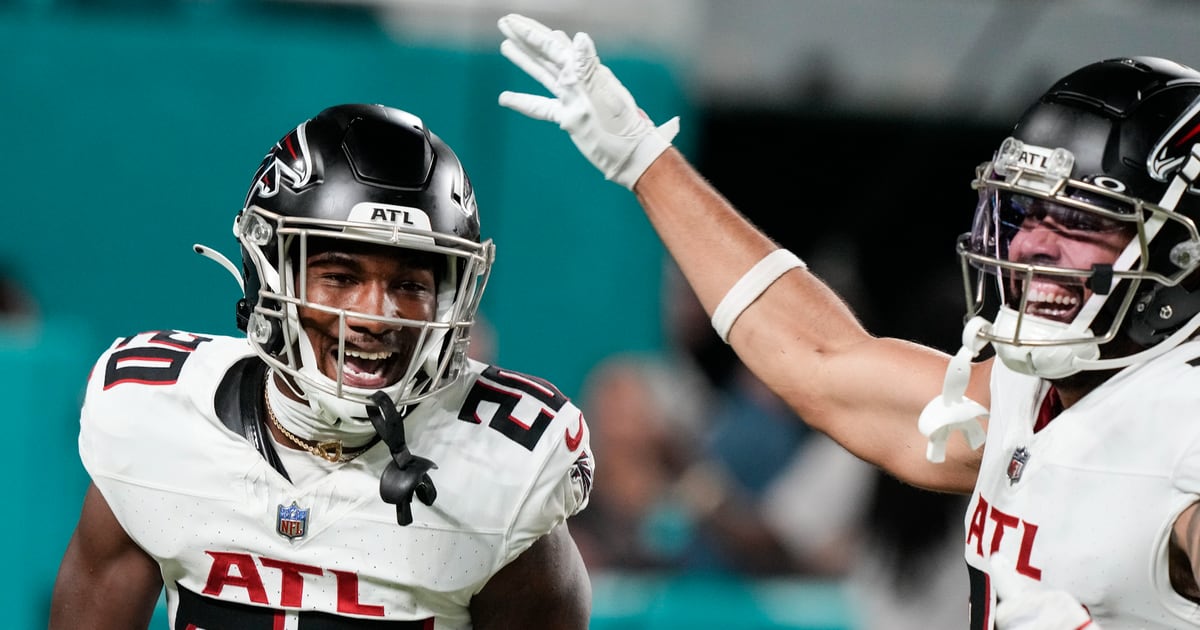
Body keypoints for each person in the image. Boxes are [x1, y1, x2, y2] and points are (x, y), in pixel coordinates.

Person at [496, 13, 1200, 630]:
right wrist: (645, 159)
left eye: (1079, 220)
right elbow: (821, 360)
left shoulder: (1181, 434)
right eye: (1024, 213)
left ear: (1182, 251)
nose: (1031, 246)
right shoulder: (1027, 394)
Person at [48, 104, 595, 629]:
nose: (375, 317)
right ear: (272, 276)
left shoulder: (505, 466)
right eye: (340, 277)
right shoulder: (156, 418)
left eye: (409, 285)